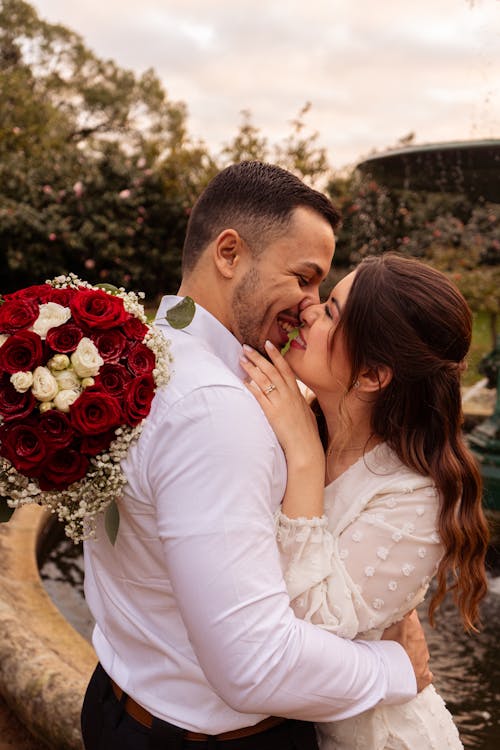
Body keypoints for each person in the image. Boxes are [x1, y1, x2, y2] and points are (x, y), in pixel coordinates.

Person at [81, 163, 432, 750]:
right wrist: (396, 668)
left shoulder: (134, 355)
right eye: (304, 277)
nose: (310, 306)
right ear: (228, 254)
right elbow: (255, 663)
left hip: (119, 699)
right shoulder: (217, 411)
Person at [240, 252, 490, 750]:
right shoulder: (288, 416)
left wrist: (305, 460)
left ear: (373, 375)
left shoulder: (416, 496)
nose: (307, 309)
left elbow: (313, 631)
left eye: (332, 311)